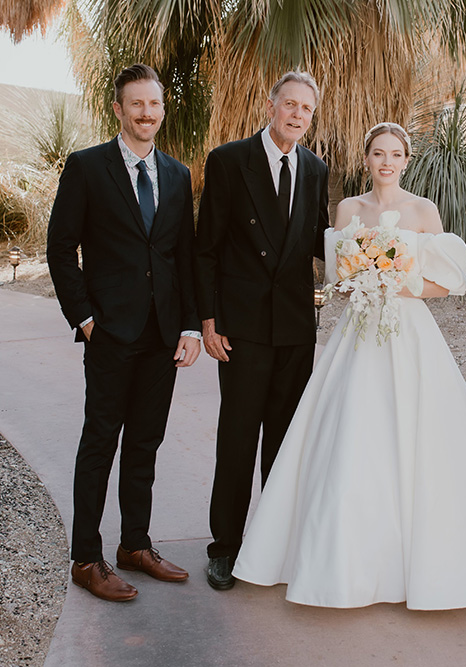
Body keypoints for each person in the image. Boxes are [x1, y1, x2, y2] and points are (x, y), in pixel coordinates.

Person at [231, 122, 466, 609]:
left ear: (406, 160)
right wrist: (364, 281)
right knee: (350, 433)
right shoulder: (349, 210)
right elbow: (340, 278)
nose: (386, 161)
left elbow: (444, 282)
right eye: (377, 153)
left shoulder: (423, 211)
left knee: (420, 432)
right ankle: (340, 562)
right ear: (366, 159)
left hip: (408, 329)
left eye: (395, 154)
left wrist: (395, 282)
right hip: (359, 332)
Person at [47, 64, 201, 602]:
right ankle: (86, 558)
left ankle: (134, 545)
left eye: (154, 105)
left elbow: (184, 255)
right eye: (135, 104)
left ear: (162, 109)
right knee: (99, 443)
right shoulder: (87, 167)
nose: (146, 114)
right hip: (109, 333)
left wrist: (189, 326)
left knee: (145, 442)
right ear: (118, 109)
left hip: (162, 334)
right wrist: (85, 318)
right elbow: (61, 248)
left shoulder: (178, 175)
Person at [194, 72, 331, 592]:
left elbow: (320, 240)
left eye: (306, 110)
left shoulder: (316, 168)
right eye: (289, 104)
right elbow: (206, 246)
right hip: (243, 328)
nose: (297, 115)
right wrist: (208, 319)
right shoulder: (230, 161)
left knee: (283, 441)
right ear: (271, 105)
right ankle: (224, 549)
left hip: (295, 328)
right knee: (237, 440)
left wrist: (374, 251)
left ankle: (270, 547)